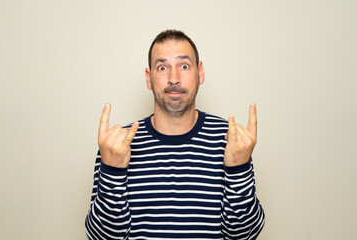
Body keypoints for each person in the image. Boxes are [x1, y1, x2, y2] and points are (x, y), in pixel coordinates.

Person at [85, 29, 265, 240]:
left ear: (200, 73)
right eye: (162, 67)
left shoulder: (230, 139)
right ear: (149, 78)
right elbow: (103, 237)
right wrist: (112, 171)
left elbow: (243, 236)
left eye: (184, 66)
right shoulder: (117, 145)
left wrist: (239, 169)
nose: (174, 78)